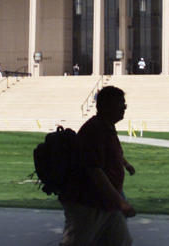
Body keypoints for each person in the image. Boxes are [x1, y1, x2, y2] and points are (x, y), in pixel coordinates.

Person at [59, 86, 135, 246]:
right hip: (88, 204)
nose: (124, 108)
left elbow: (113, 155)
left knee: (121, 242)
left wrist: (126, 165)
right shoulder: (94, 130)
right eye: (121, 104)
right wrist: (120, 201)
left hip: (107, 203)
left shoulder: (106, 127)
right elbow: (94, 171)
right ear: (106, 105)